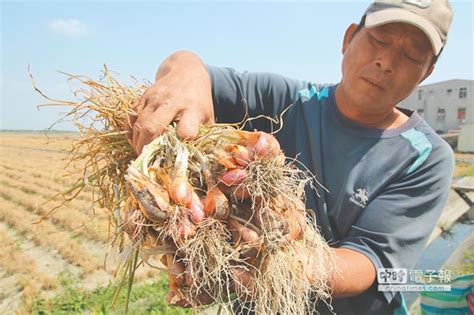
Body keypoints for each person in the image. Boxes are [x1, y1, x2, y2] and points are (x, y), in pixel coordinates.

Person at [126, 0, 455, 313]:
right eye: (378, 39)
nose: (386, 61)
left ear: (425, 73)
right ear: (349, 38)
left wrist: (266, 262)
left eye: (412, 55)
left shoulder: (425, 156)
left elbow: (368, 262)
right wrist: (184, 78)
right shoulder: (284, 99)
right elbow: (187, 66)